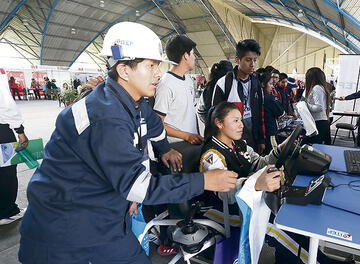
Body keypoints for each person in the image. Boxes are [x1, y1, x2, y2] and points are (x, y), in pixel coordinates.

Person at [18, 22, 238, 264]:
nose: (158, 73)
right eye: (151, 65)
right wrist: (204, 180)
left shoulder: (133, 102)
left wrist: (165, 149)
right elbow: (139, 186)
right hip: (65, 228)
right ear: (124, 70)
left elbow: (153, 127)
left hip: (103, 216)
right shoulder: (106, 116)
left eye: (158, 65)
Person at [200, 102, 352, 264]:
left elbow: (259, 163)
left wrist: (281, 148)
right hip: (219, 209)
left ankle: (298, 258)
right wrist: (255, 184)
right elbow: (225, 194)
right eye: (235, 121)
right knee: (276, 226)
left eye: (241, 120)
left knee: (289, 217)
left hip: (250, 202)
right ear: (219, 123)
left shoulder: (239, 144)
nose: (241, 125)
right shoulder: (212, 155)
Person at [211, 39, 265, 153]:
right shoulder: (224, 83)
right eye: (248, 60)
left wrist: (261, 139)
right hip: (232, 140)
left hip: (253, 136)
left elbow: (260, 113)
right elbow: (215, 116)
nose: (253, 64)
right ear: (238, 60)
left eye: (255, 60)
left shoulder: (256, 83)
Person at [154, 35, 202, 145]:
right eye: (193, 53)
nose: (194, 57)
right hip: (177, 146)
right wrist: (186, 136)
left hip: (192, 141)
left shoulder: (188, 80)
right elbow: (157, 123)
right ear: (186, 55)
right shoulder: (166, 84)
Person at [0, 68, 29, 225]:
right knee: (6, 171)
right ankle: (6, 212)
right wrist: (20, 130)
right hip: (1, 130)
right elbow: (5, 105)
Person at [258, 71, 285, 153]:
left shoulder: (257, 97)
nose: (273, 87)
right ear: (263, 84)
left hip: (262, 134)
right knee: (274, 154)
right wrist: (275, 98)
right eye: (270, 84)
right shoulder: (269, 98)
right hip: (270, 132)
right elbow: (281, 113)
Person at [304, 67, 332, 145]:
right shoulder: (320, 88)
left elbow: (319, 107)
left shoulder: (317, 88)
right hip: (320, 121)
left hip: (319, 122)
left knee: (311, 146)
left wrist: (305, 105)